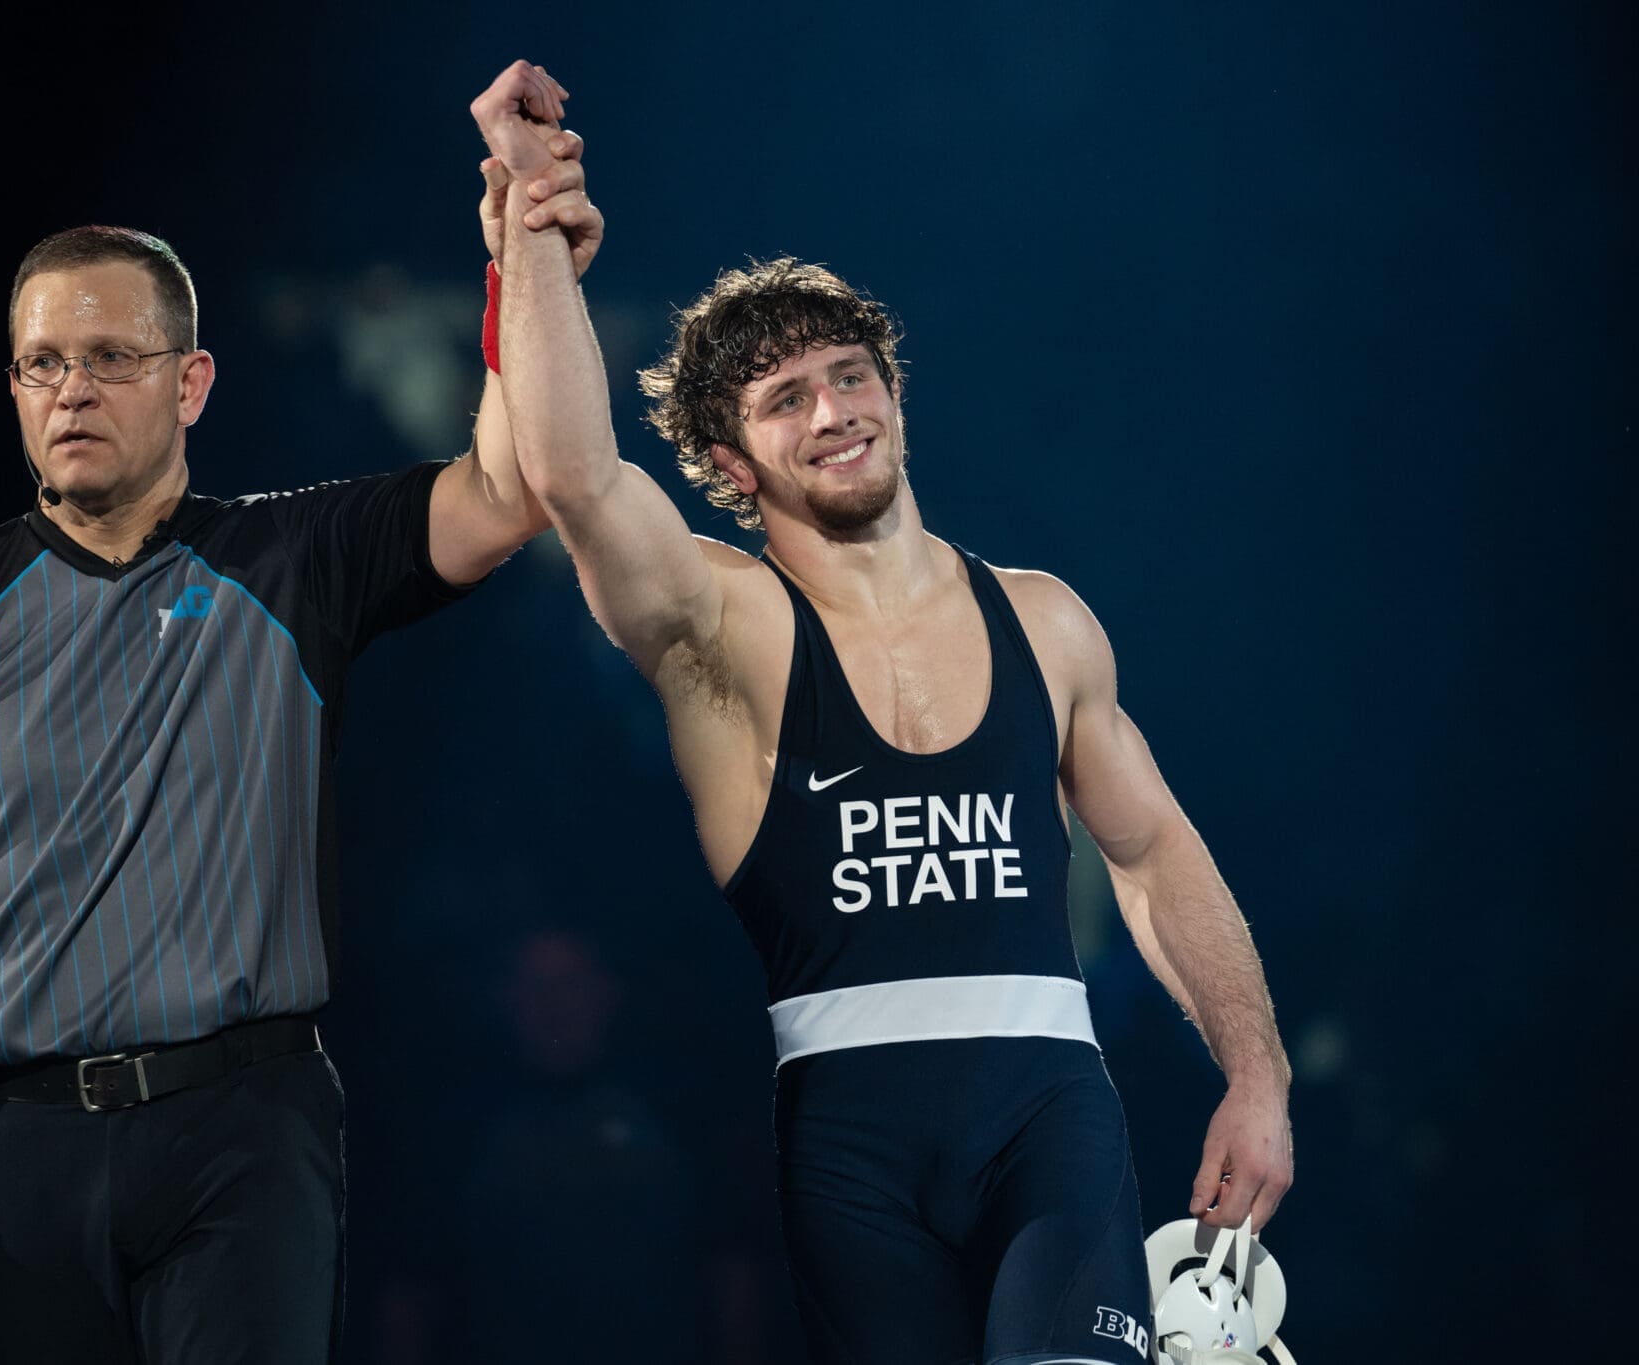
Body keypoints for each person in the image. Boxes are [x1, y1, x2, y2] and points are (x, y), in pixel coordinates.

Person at [0, 72, 602, 1362]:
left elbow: (511, 487)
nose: (71, 389)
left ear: (191, 383)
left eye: (110, 358)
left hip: (243, 1132)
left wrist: (523, 246)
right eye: (42, 363)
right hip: (7, 1152)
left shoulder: (293, 559)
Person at [473, 62, 1294, 1364]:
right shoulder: (727, 630)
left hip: (1049, 1116)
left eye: (852, 376)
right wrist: (529, 225)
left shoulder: (1044, 618)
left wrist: (1257, 1073)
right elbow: (573, 477)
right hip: (854, 1144)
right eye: (787, 399)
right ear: (734, 466)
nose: (835, 412)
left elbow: (1150, 851)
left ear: (897, 393)